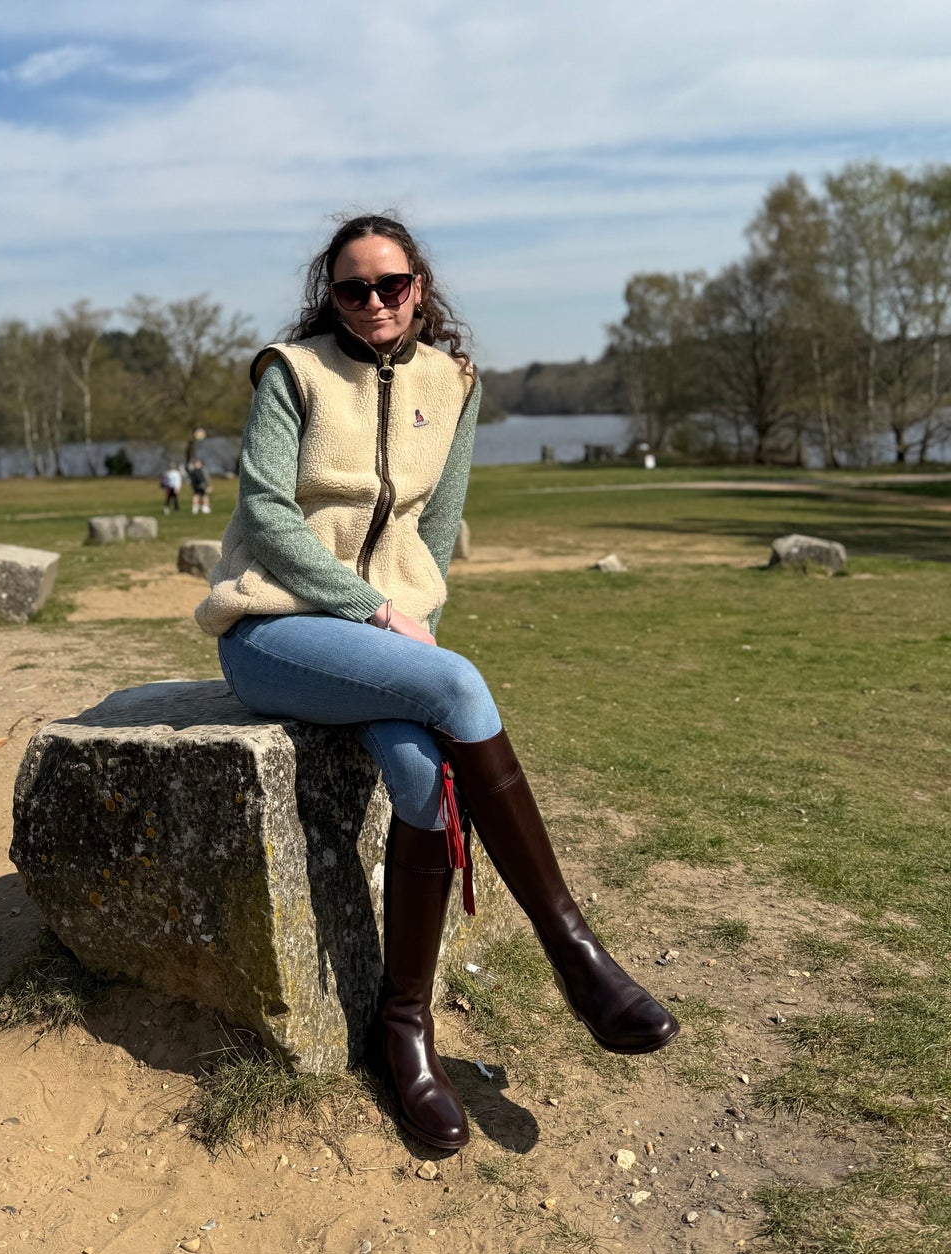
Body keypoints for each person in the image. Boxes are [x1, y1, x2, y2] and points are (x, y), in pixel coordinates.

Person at [195, 214, 677, 1153]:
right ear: (330, 296)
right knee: (459, 689)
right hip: (275, 629)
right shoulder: (292, 374)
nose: (374, 302)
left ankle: (403, 1029)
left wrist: (413, 637)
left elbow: (436, 530)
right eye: (353, 288)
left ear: (419, 285)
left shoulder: (454, 383)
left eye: (391, 284)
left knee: (423, 779)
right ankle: (575, 955)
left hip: (384, 640)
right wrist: (378, 616)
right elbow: (269, 517)